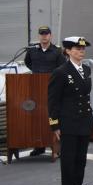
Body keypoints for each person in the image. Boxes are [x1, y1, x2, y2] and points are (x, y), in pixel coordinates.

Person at [48, 36, 93, 185]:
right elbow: (53, 100)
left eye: (82, 49)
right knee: (68, 160)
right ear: (68, 51)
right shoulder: (60, 72)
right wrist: (55, 124)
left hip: (83, 121)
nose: (81, 51)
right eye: (77, 49)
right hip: (68, 122)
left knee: (80, 160)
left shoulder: (87, 70)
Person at [25, 25, 65, 156]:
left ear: (50, 35)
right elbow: (28, 63)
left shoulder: (57, 51)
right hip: (36, 89)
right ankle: (39, 146)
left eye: (46, 34)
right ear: (39, 36)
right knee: (38, 117)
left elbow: (62, 67)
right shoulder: (32, 51)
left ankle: (57, 147)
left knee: (53, 116)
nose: (44, 36)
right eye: (42, 34)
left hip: (52, 89)